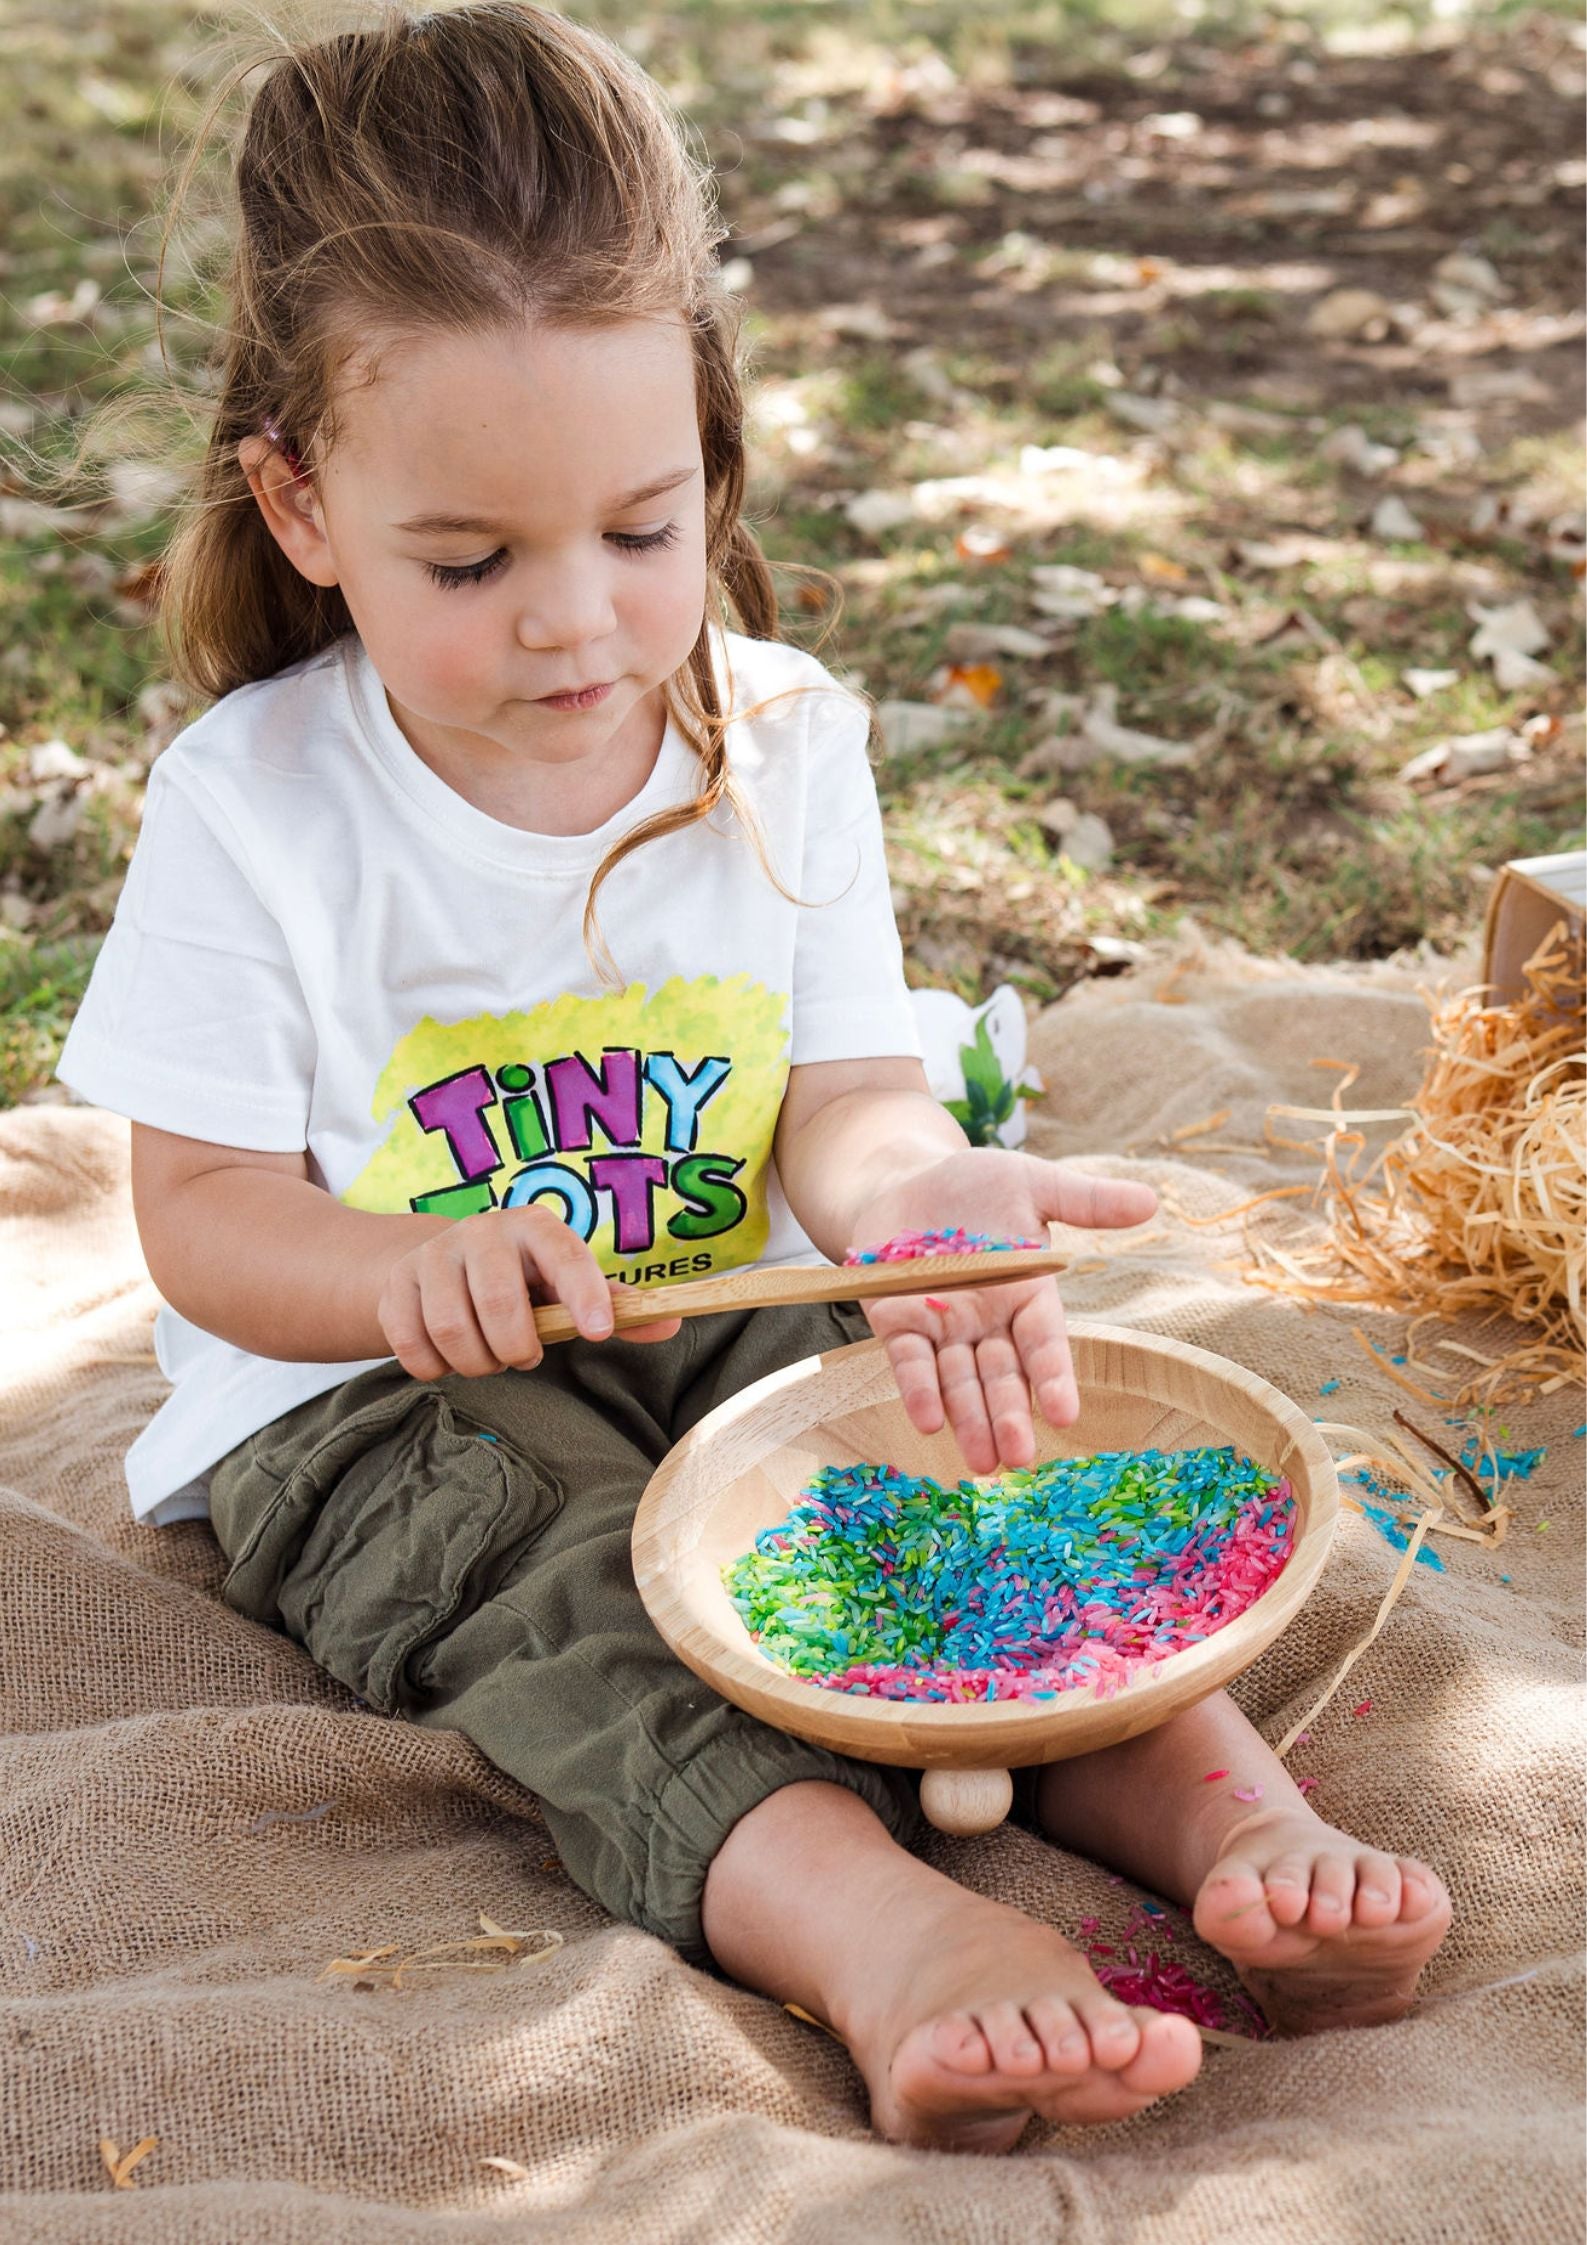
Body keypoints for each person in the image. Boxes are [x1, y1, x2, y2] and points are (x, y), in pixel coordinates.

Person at [55, 3, 1451, 2155]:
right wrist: (396, 1271)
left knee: (966, 1490)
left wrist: (906, 1209)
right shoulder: (259, 805)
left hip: (736, 1308)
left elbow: (846, 1096)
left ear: (712, 452)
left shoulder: (776, 736)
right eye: (471, 561)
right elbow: (204, 1216)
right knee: (579, 1582)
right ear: (302, 502)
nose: (578, 625)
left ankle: (1222, 1815)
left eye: (641, 527)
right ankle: (875, 1935)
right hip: (377, 1397)